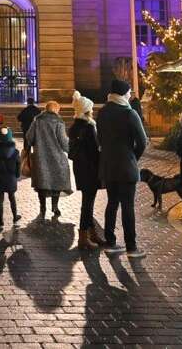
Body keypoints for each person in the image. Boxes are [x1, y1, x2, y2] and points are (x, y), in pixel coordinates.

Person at [96, 78, 148, 258]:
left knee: (112, 203)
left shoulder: (102, 112)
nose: (130, 94)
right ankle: (131, 247)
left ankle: (110, 242)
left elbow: (99, 138)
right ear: (123, 93)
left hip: (109, 165)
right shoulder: (129, 113)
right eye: (129, 91)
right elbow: (143, 141)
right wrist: (133, 156)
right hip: (126, 166)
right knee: (127, 207)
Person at [68, 91, 104, 250]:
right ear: (87, 110)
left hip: (80, 169)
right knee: (87, 203)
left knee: (87, 201)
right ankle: (83, 237)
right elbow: (94, 151)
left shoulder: (74, 126)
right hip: (90, 169)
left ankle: (91, 233)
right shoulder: (89, 127)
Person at [27, 100, 72, 218]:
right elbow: (63, 141)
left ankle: (43, 208)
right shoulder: (58, 122)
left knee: (41, 183)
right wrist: (70, 151)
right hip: (56, 156)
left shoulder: (37, 120)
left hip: (40, 157)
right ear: (56, 110)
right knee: (57, 181)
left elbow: (29, 137)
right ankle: (55, 206)